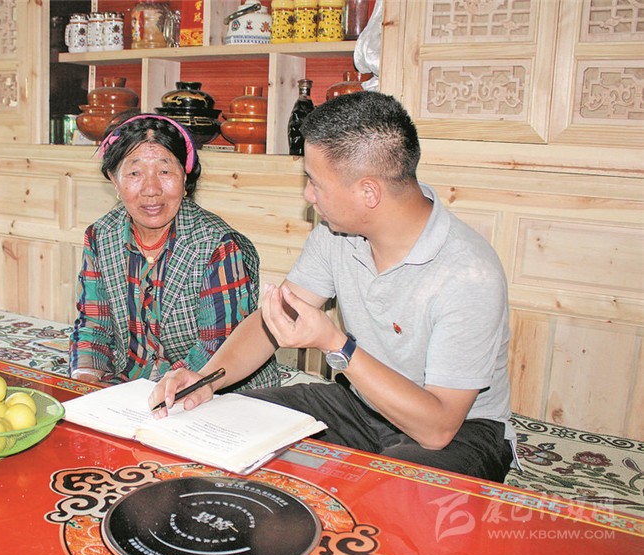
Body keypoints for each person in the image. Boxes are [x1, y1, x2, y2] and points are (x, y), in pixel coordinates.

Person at [150, 92, 515, 482]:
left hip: (460, 431)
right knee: (217, 422)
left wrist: (335, 345)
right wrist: (207, 379)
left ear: (368, 193)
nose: (308, 195)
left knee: (383, 493)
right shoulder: (336, 234)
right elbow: (273, 321)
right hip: (360, 404)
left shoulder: (468, 273)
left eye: (315, 182)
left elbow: (437, 428)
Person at [69, 113, 279, 389]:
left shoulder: (218, 245)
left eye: (165, 171)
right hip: (133, 384)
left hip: (216, 388)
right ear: (114, 180)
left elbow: (218, 347)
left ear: (185, 174)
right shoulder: (100, 237)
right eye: (134, 173)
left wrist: (156, 392)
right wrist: (86, 380)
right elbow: (94, 325)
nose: (151, 189)